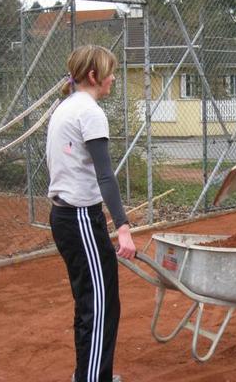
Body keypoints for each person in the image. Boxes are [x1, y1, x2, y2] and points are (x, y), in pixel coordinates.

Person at [47, 45, 136, 381]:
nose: (114, 77)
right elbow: (105, 174)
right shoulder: (89, 112)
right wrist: (123, 227)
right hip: (80, 217)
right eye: (110, 71)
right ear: (94, 76)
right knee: (99, 307)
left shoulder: (66, 107)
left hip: (67, 217)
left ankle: (90, 374)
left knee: (93, 302)